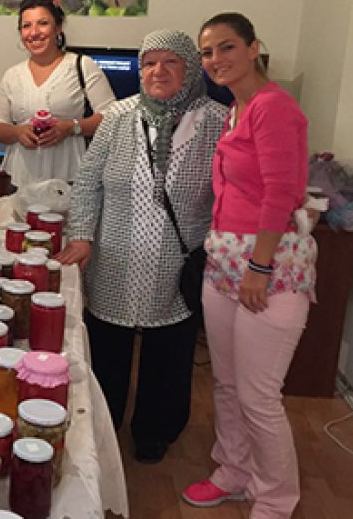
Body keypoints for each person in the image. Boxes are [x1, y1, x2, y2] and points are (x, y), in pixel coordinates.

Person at [56, 30, 227, 464]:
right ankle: (104, 425)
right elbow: (90, 181)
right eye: (149, 62)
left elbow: (229, 192)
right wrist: (81, 235)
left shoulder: (217, 120)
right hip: (115, 252)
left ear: (190, 69)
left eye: (171, 62)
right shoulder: (118, 115)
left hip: (178, 260)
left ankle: (155, 430)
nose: (158, 71)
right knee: (108, 348)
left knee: (168, 352)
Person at [181, 13, 316, 518]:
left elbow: (281, 192)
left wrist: (259, 269)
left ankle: (276, 500)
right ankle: (234, 471)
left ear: (255, 46)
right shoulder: (236, 111)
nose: (216, 59)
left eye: (227, 47)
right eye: (208, 52)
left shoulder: (273, 107)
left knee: (260, 396)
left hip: (269, 269)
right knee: (227, 383)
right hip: (225, 263)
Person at [0, 0, 116, 188]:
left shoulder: (82, 66)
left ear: (58, 28)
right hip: (21, 179)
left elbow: (112, 116)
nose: (34, 32)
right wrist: (17, 132)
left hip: (70, 178)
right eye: (26, 26)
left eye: (42, 23)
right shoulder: (12, 75)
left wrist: (71, 128)